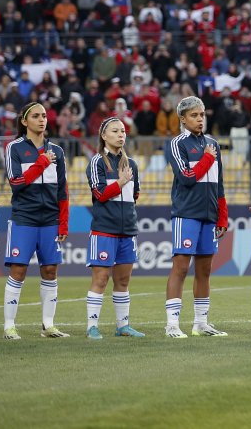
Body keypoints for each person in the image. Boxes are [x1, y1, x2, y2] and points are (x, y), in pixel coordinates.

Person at [3, 102, 70, 340]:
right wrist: (41, 163)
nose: (42, 120)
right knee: (19, 270)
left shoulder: (58, 152)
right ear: (24, 121)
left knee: (50, 270)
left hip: (50, 220)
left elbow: (62, 190)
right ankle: (9, 326)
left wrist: (63, 222)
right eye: (35, 116)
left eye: (44, 116)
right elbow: (16, 183)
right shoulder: (14, 148)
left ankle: (48, 325)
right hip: (25, 217)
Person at [164, 96, 229, 339]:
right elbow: (187, 177)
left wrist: (222, 217)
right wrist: (208, 158)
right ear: (182, 119)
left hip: (209, 216)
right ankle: (172, 324)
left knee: (205, 270)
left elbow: (219, 185)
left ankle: (201, 323)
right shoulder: (177, 143)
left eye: (202, 115)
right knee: (181, 268)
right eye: (194, 115)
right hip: (186, 214)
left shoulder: (213, 143)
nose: (200, 119)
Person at [85, 117, 144, 340]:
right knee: (100, 280)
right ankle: (92, 326)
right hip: (104, 230)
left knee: (123, 281)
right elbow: (100, 195)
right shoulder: (97, 163)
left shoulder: (132, 165)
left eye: (123, 131)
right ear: (104, 135)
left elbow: (135, 195)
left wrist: (124, 184)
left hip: (128, 230)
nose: (121, 134)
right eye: (115, 131)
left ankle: (123, 326)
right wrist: (119, 183)